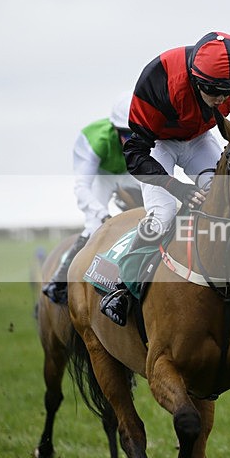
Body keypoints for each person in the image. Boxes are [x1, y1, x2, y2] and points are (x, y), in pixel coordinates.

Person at [100, 31, 230, 325]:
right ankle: (123, 288)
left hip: (198, 141)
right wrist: (175, 187)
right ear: (195, 79)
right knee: (164, 213)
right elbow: (134, 154)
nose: (220, 99)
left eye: (226, 92)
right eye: (213, 92)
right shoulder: (157, 80)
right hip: (157, 145)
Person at [42, 94, 142, 304]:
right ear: (115, 130)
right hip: (101, 174)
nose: (131, 141)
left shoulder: (147, 131)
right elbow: (82, 187)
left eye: (137, 134)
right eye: (126, 135)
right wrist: (102, 213)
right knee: (95, 226)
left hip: (131, 171)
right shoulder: (96, 140)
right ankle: (59, 280)